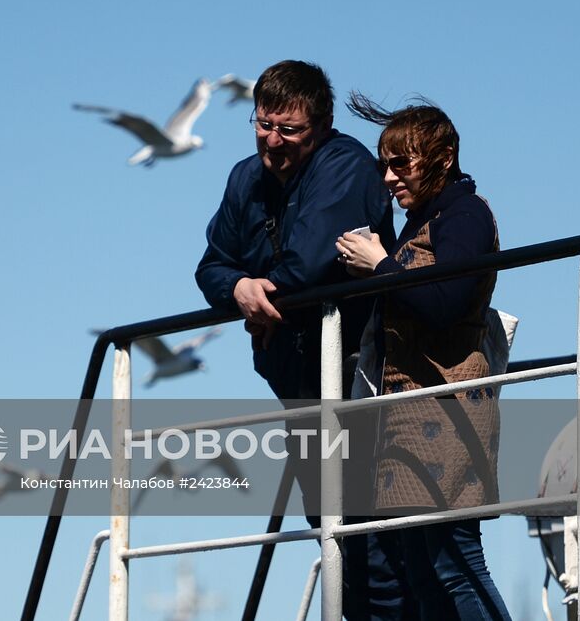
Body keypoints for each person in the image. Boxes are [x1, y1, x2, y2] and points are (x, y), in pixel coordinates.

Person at [195, 60, 404, 620]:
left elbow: (312, 263)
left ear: (323, 124)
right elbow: (212, 264)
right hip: (296, 383)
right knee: (330, 531)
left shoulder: (347, 167)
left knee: (373, 543)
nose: (273, 141)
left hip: (360, 377)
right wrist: (240, 289)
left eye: (289, 130)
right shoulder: (245, 178)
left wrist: (267, 299)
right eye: (264, 125)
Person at [335, 94, 509, 620]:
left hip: (447, 414)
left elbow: (445, 302)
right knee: (422, 569)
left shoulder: (466, 214)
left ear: (444, 157)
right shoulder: (424, 221)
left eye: (400, 163)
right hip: (407, 419)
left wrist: (383, 265)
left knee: (454, 562)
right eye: (383, 165)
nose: (388, 178)